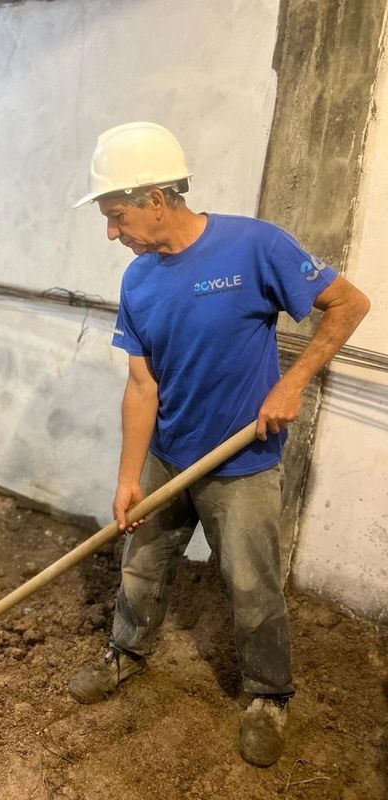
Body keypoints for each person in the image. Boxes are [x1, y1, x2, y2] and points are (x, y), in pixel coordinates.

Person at [69, 122, 370, 767]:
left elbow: (349, 303)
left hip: (242, 461)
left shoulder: (254, 246)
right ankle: (126, 652)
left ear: (156, 199)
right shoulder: (138, 280)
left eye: (116, 216)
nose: (112, 233)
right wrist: (129, 477)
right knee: (141, 564)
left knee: (251, 583)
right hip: (167, 454)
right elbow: (141, 385)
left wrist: (291, 383)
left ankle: (268, 694)